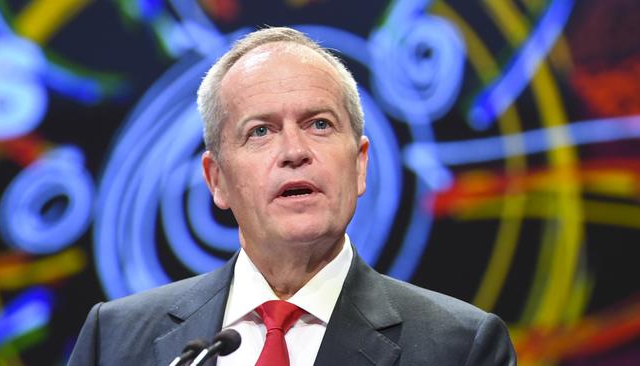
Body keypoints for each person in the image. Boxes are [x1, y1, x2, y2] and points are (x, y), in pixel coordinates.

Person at [68, 27, 517, 366]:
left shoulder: (460, 347)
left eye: (319, 124)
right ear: (216, 179)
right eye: (260, 131)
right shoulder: (115, 338)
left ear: (359, 164)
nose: (295, 152)